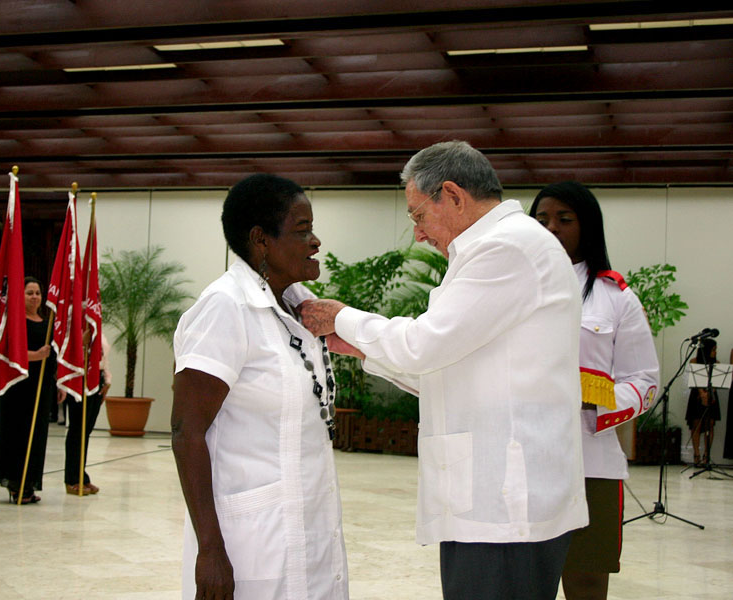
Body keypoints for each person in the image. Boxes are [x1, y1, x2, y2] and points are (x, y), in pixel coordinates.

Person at [301, 141, 587, 600]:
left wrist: (342, 317)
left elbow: (425, 344)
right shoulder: (497, 247)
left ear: (452, 195)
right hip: (492, 498)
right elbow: (446, 366)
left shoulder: (508, 247)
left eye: (418, 215)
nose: (417, 234)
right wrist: (361, 349)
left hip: (506, 505)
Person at [172, 173, 348, 599]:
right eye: (302, 230)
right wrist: (210, 550)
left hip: (310, 527)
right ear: (261, 240)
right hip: (250, 541)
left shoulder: (299, 306)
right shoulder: (225, 306)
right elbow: (185, 431)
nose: (315, 242)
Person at [530, 181, 659, 600]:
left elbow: (645, 380)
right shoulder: (510, 288)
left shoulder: (615, 298)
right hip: (524, 457)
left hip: (591, 459)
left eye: (564, 219)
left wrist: (598, 400)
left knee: (586, 580)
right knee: (522, 579)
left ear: (588, 227)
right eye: (542, 219)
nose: (551, 228)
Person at [0, 276, 54, 504]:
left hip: (41, 387)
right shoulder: (16, 323)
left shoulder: (47, 323)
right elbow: (9, 352)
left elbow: (52, 357)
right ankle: (15, 483)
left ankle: (29, 483)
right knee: (17, 434)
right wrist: (35, 356)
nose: (35, 297)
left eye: (37, 293)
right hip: (19, 386)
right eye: (30, 293)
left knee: (36, 435)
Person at [63, 331, 111, 495]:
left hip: (97, 377)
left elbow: (103, 357)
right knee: (77, 429)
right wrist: (81, 342)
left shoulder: (97, 327)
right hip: (79, 378)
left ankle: (81, 475)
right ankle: (72, 478)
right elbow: (67, 354)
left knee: (86, 430)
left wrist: (107, 380)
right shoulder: (75, 326)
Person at [685, 338, 720, 467]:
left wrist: (710, 393)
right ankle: (696, 455)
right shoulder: (694, 361)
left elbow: (717, 381)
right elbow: (693, 378)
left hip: (711, 395)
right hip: (697, 395)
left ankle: (707, 455)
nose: (715, 352)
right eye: (713, 349)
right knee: (696, 424)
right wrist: (702, 393)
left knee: (710, 424)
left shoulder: (716, 363)